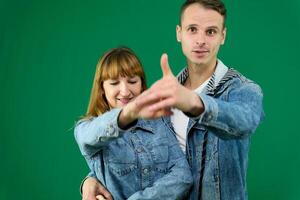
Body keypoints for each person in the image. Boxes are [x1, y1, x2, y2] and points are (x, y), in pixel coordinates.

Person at [81, 0, 264, 199]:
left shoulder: (243, 89)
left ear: (223, 36)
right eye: (192, 29)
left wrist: (194, 103)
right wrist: (92, 179)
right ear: (179, 33)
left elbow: (244, 122)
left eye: (210, 31)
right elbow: (142, 157)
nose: (201, 40)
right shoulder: (164, 94)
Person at [74, 47, 193, 200]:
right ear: (102, 88)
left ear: (142, 85)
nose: (125, 91)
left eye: (132, 81)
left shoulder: (160, 122)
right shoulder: (86, 129)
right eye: (114, 83)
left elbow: (182, 176)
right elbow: (89, 136)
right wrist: (127, 114)